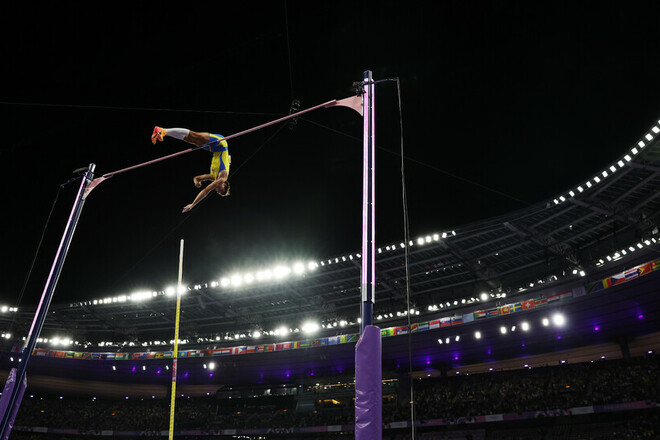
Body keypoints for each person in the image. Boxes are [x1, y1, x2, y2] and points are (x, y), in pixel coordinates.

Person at [151, 126, 230, 213]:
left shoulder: (213, 176)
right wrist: (193, 204)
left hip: (214, 149)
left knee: (190, 140)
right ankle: (163, 130)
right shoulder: (222, 178)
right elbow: (206, 190)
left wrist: (196, 182)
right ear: (224, 184)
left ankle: (161, 132)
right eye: (220, 188)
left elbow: (197, 177)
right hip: (221, 144)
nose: (217, 188)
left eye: (217, 190)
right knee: (194, 135)